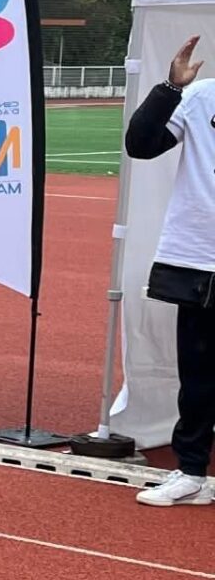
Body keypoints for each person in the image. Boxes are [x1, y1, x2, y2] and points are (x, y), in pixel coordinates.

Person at [126, 36, 215, 507]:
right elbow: (140, 145)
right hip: (198, 257)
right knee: (198, 374)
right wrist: (169, 89)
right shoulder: (201, 97)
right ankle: (192, 473)